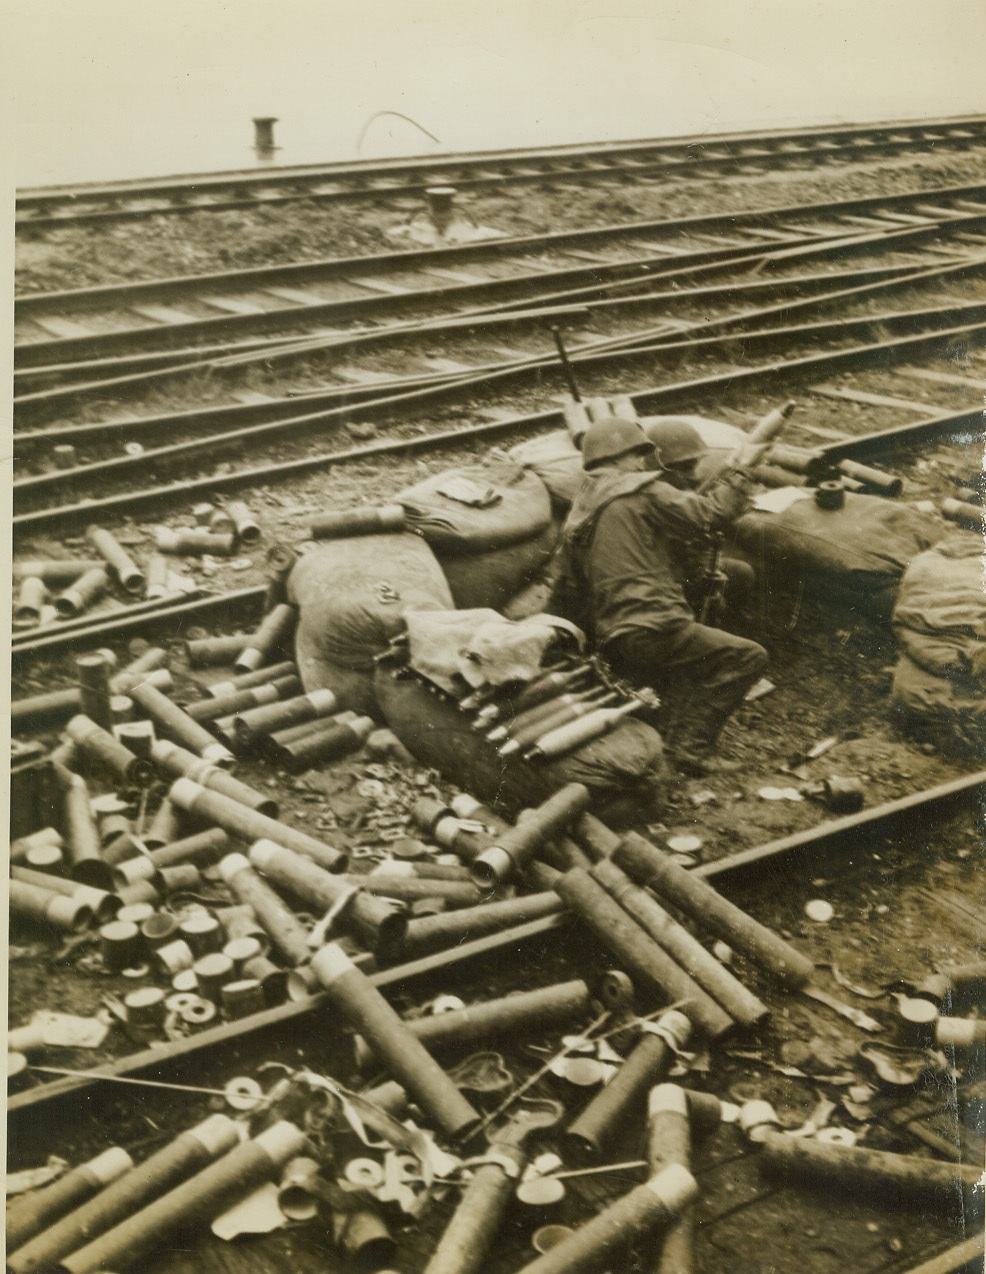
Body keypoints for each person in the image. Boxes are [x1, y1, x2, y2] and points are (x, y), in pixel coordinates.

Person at [550, 415, 768, 775]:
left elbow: (569, 586)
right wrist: (744, 469)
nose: (643, 463)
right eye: (639, 454)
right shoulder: (640, 489)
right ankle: (691, 749)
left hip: (615, 637)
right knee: (748, 657)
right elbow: (714, 513)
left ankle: (671, 708)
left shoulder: (581, 509)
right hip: (656, 628)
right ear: (623, 456)